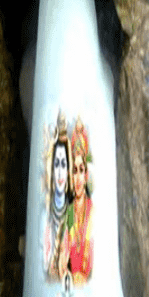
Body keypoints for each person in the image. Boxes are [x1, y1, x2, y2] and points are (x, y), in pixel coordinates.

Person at [60, 117, 93, 285]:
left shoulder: (92, 210)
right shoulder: (70, 211)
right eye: (74, 171)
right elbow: (66, 245)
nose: (78, 177)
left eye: (81, 171)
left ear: (86, 176)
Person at [43, 111, 70, 280]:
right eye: (57, 165)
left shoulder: (72, 213)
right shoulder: (46, 212)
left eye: (64, 165)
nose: (60, 172)